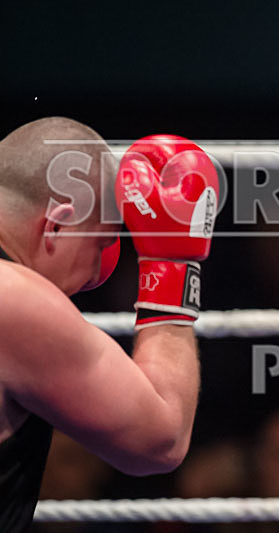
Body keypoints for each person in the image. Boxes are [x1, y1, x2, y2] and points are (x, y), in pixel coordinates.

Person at [0, 117, 218, 531]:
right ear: (57, 225)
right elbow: (160, 440)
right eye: (100, 242)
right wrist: (171, 262)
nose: (98, 272)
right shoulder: (16, 300)